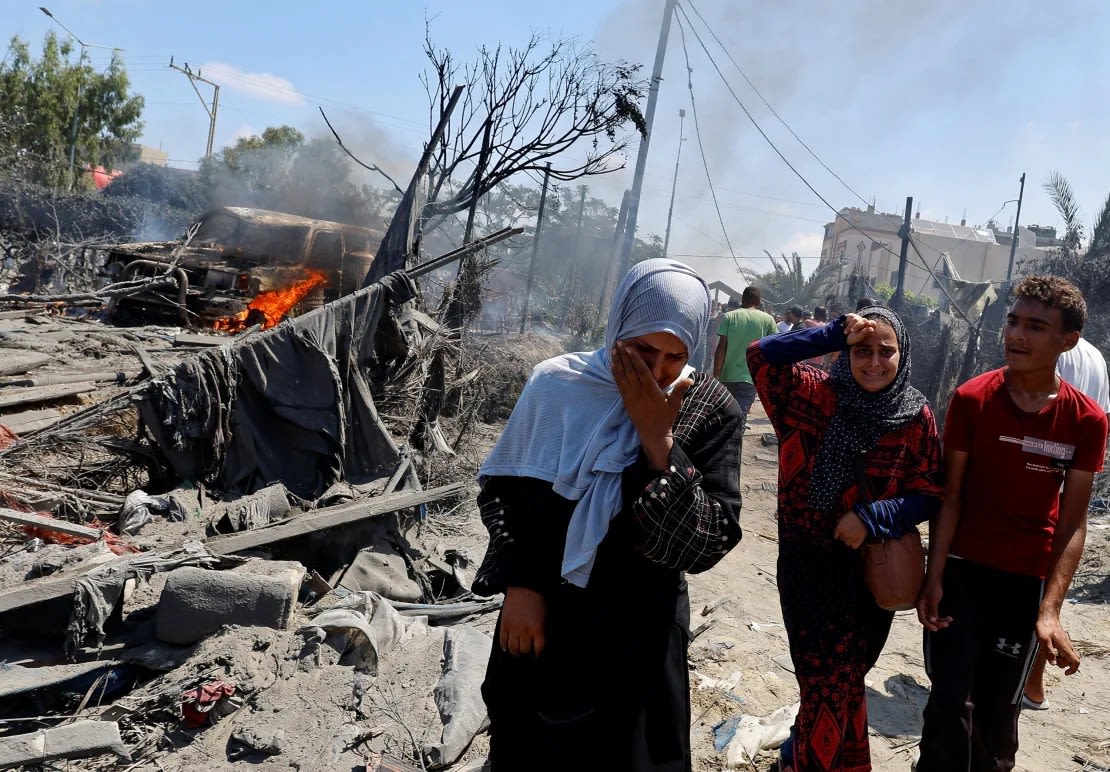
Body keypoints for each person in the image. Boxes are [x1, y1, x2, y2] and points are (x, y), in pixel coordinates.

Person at [474, 258, 744, 772]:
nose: (656, 370)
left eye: (675, 355)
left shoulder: (708, 407)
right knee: (531, 745)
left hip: (642, 622)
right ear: (619, 326)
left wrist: (658, 443)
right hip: (550, 610)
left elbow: (707, 541)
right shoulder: (556, 385)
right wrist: (523, 585)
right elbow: (509, 496)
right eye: (642, 349)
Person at [916, 276, 1108, 771]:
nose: (1017, 335)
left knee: (1000, 713)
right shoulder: (972, 399)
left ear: (1068, 341)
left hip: (1024, 583)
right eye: (1014, 321)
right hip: (961, 572)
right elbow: (951, 496)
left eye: (1036, 327)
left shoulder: (1086, 420)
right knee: (949, 704)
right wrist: (934, 576)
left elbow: (1072, 522)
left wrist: (1050, 611)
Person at [748, 307, 942, 771]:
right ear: (845, 353)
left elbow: (931, 492)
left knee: (844, 683)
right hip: (809, 569)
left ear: (903, 354)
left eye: (885, 351)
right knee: (828, 686)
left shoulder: (916, 416)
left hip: (872, 575)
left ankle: (796, 755)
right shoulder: (809, 394)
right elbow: (760, 356)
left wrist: (873, 518)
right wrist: (833, 331)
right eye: (861, 351)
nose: (873, 362)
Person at [1021, 333, 1110, 711]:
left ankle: (1029, 682)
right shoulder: (1096, 358)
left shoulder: (1053, 351)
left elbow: (1039, 404)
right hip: (1071, 478)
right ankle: (1032, 685)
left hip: (1040, 476)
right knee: (1050, 586)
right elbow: (1102, 416)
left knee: (1033, 586)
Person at [714, 286, 778, 431]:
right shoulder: (768, 320)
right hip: (751, 378)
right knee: (739, 419)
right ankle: (733, 450)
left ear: (743, 299)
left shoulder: (730, 316)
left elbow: (721, 348)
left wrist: (716, 374)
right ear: (759, 301)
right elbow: (773, 349)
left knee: (723, 416)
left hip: (727, 376)